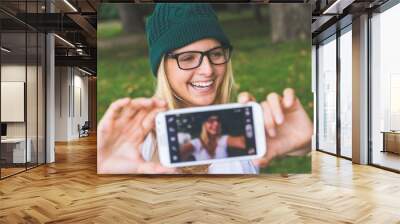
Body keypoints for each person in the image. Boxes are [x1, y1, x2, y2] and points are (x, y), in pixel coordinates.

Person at [97, 3, 313, 174]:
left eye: (216, 54)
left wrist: (307, 142)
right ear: (163, 67)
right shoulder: (136, 143)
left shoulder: (241, 129)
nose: (208, 70)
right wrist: (101, 171)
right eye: (188, 58)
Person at [179, 114, 246, 162]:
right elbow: (180, 154)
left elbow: (242, 142)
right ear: (204, 125)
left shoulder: (222, 139)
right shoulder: (197, 143)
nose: (216, 123)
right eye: (211, 121)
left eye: (217, 120)